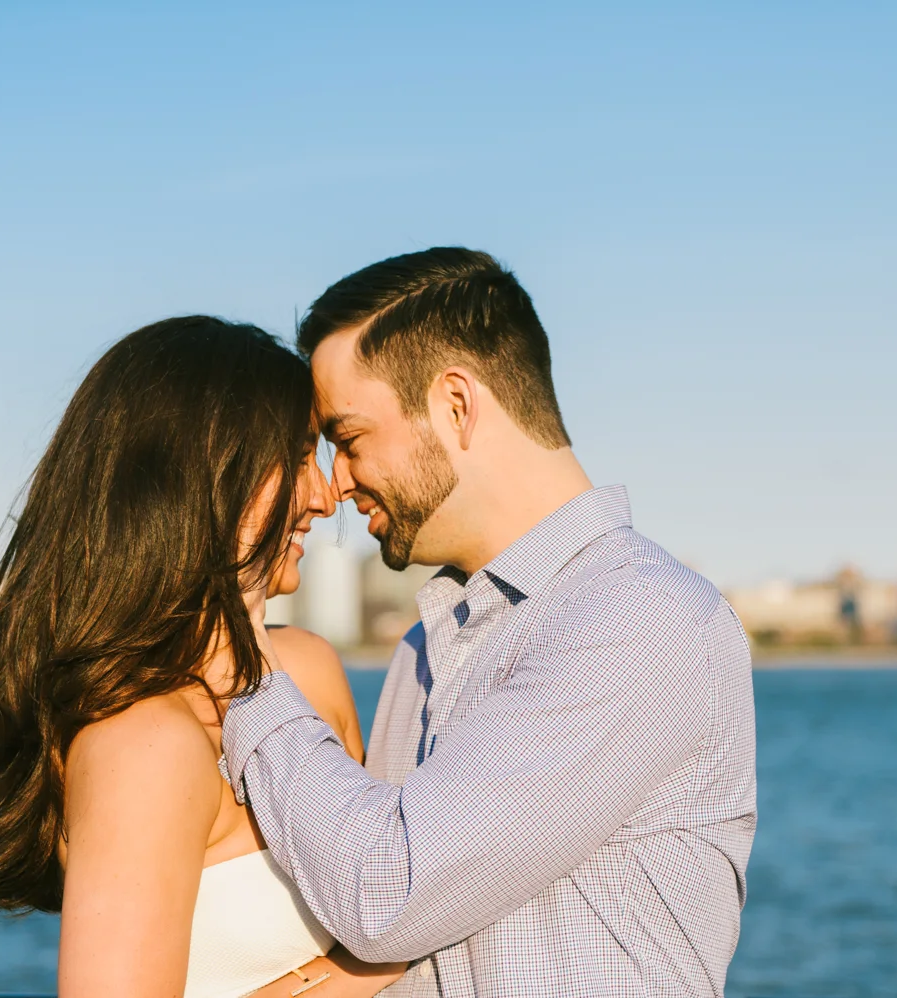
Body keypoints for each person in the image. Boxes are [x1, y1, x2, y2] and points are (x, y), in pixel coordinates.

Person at [227, 249, 758, 997]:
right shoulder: (424, 648)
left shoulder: (642, 618)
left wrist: (242, 668)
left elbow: (388, 895)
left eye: (348, 439)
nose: (337, 483)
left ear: (455, 404)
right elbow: (390, 950)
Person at [0, 316, 404, 998]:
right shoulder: (144, 745)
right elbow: (386, 944)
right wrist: (359, 972)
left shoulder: (311, 671)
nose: (327, 496)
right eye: (297, 458)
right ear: (203, 472)